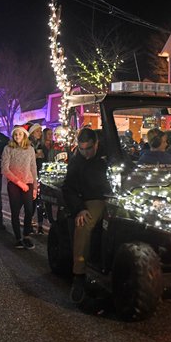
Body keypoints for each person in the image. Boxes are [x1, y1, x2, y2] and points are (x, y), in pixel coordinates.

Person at [62, 128, 111, 303]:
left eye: (89, 148)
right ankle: (79, 275)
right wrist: (79, 209)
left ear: (96, 143)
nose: (85, 153)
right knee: (83, 224)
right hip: (93, 200)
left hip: (116, 198)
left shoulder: (109, 154)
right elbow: (68, 188)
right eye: (81, 149)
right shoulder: (76, 162)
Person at [1, 126, 37, 249]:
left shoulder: (30, 149)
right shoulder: (8, 149)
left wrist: (35, 187)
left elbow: (33, 168)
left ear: (24, 135)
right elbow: (5, 169)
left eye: (20, 134)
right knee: (15, 211)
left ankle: (26, 235)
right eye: (15, 134)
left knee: (29, 210)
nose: (17, 136)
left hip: (28, 182)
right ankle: (18, 238)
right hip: (14, 184)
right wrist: (18, 182)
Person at [28, 124, 46, 234]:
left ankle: (40, 225)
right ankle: (28, 223)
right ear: (32, 132)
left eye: (40, 131)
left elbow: (43, 156)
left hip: (39, 173)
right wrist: (36, 156)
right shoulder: (29, 144)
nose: (40, 133)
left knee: (40, 201)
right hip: (30, 175)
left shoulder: (40, 144)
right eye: (38, 131)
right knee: (32, 201)